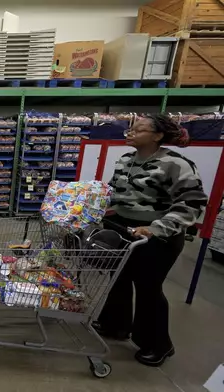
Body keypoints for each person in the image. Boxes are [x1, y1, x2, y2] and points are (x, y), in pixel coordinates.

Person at [93, 114, 208, 367]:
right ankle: (116, 326)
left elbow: (192, 203)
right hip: (122, 229)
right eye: (129, 130)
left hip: (158, 236)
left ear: (157, 136)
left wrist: (157, 228)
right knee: (118, 279)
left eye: (138, 130)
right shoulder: (125, 160)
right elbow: (115, 195)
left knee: (148, 288)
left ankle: (158, 344)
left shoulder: (175, 163)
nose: (129, 134)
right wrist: (93, 207)